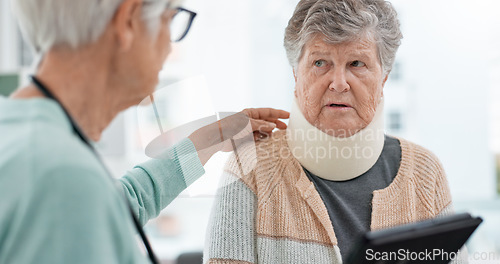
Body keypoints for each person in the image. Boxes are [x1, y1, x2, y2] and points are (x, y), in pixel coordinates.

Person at [0, 0, 289, 263]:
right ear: (128, 20)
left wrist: (212, 138)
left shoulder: (24, 141)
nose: (169, 45)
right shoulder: (63, 179)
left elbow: (121, 204)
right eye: (170, 19)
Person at [204, 0, 465, 263]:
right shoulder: (250, 166)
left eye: (356, 63)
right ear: (296, 75)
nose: (339, 84)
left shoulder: (425, 171)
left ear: (383, 78)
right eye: (320, 62)